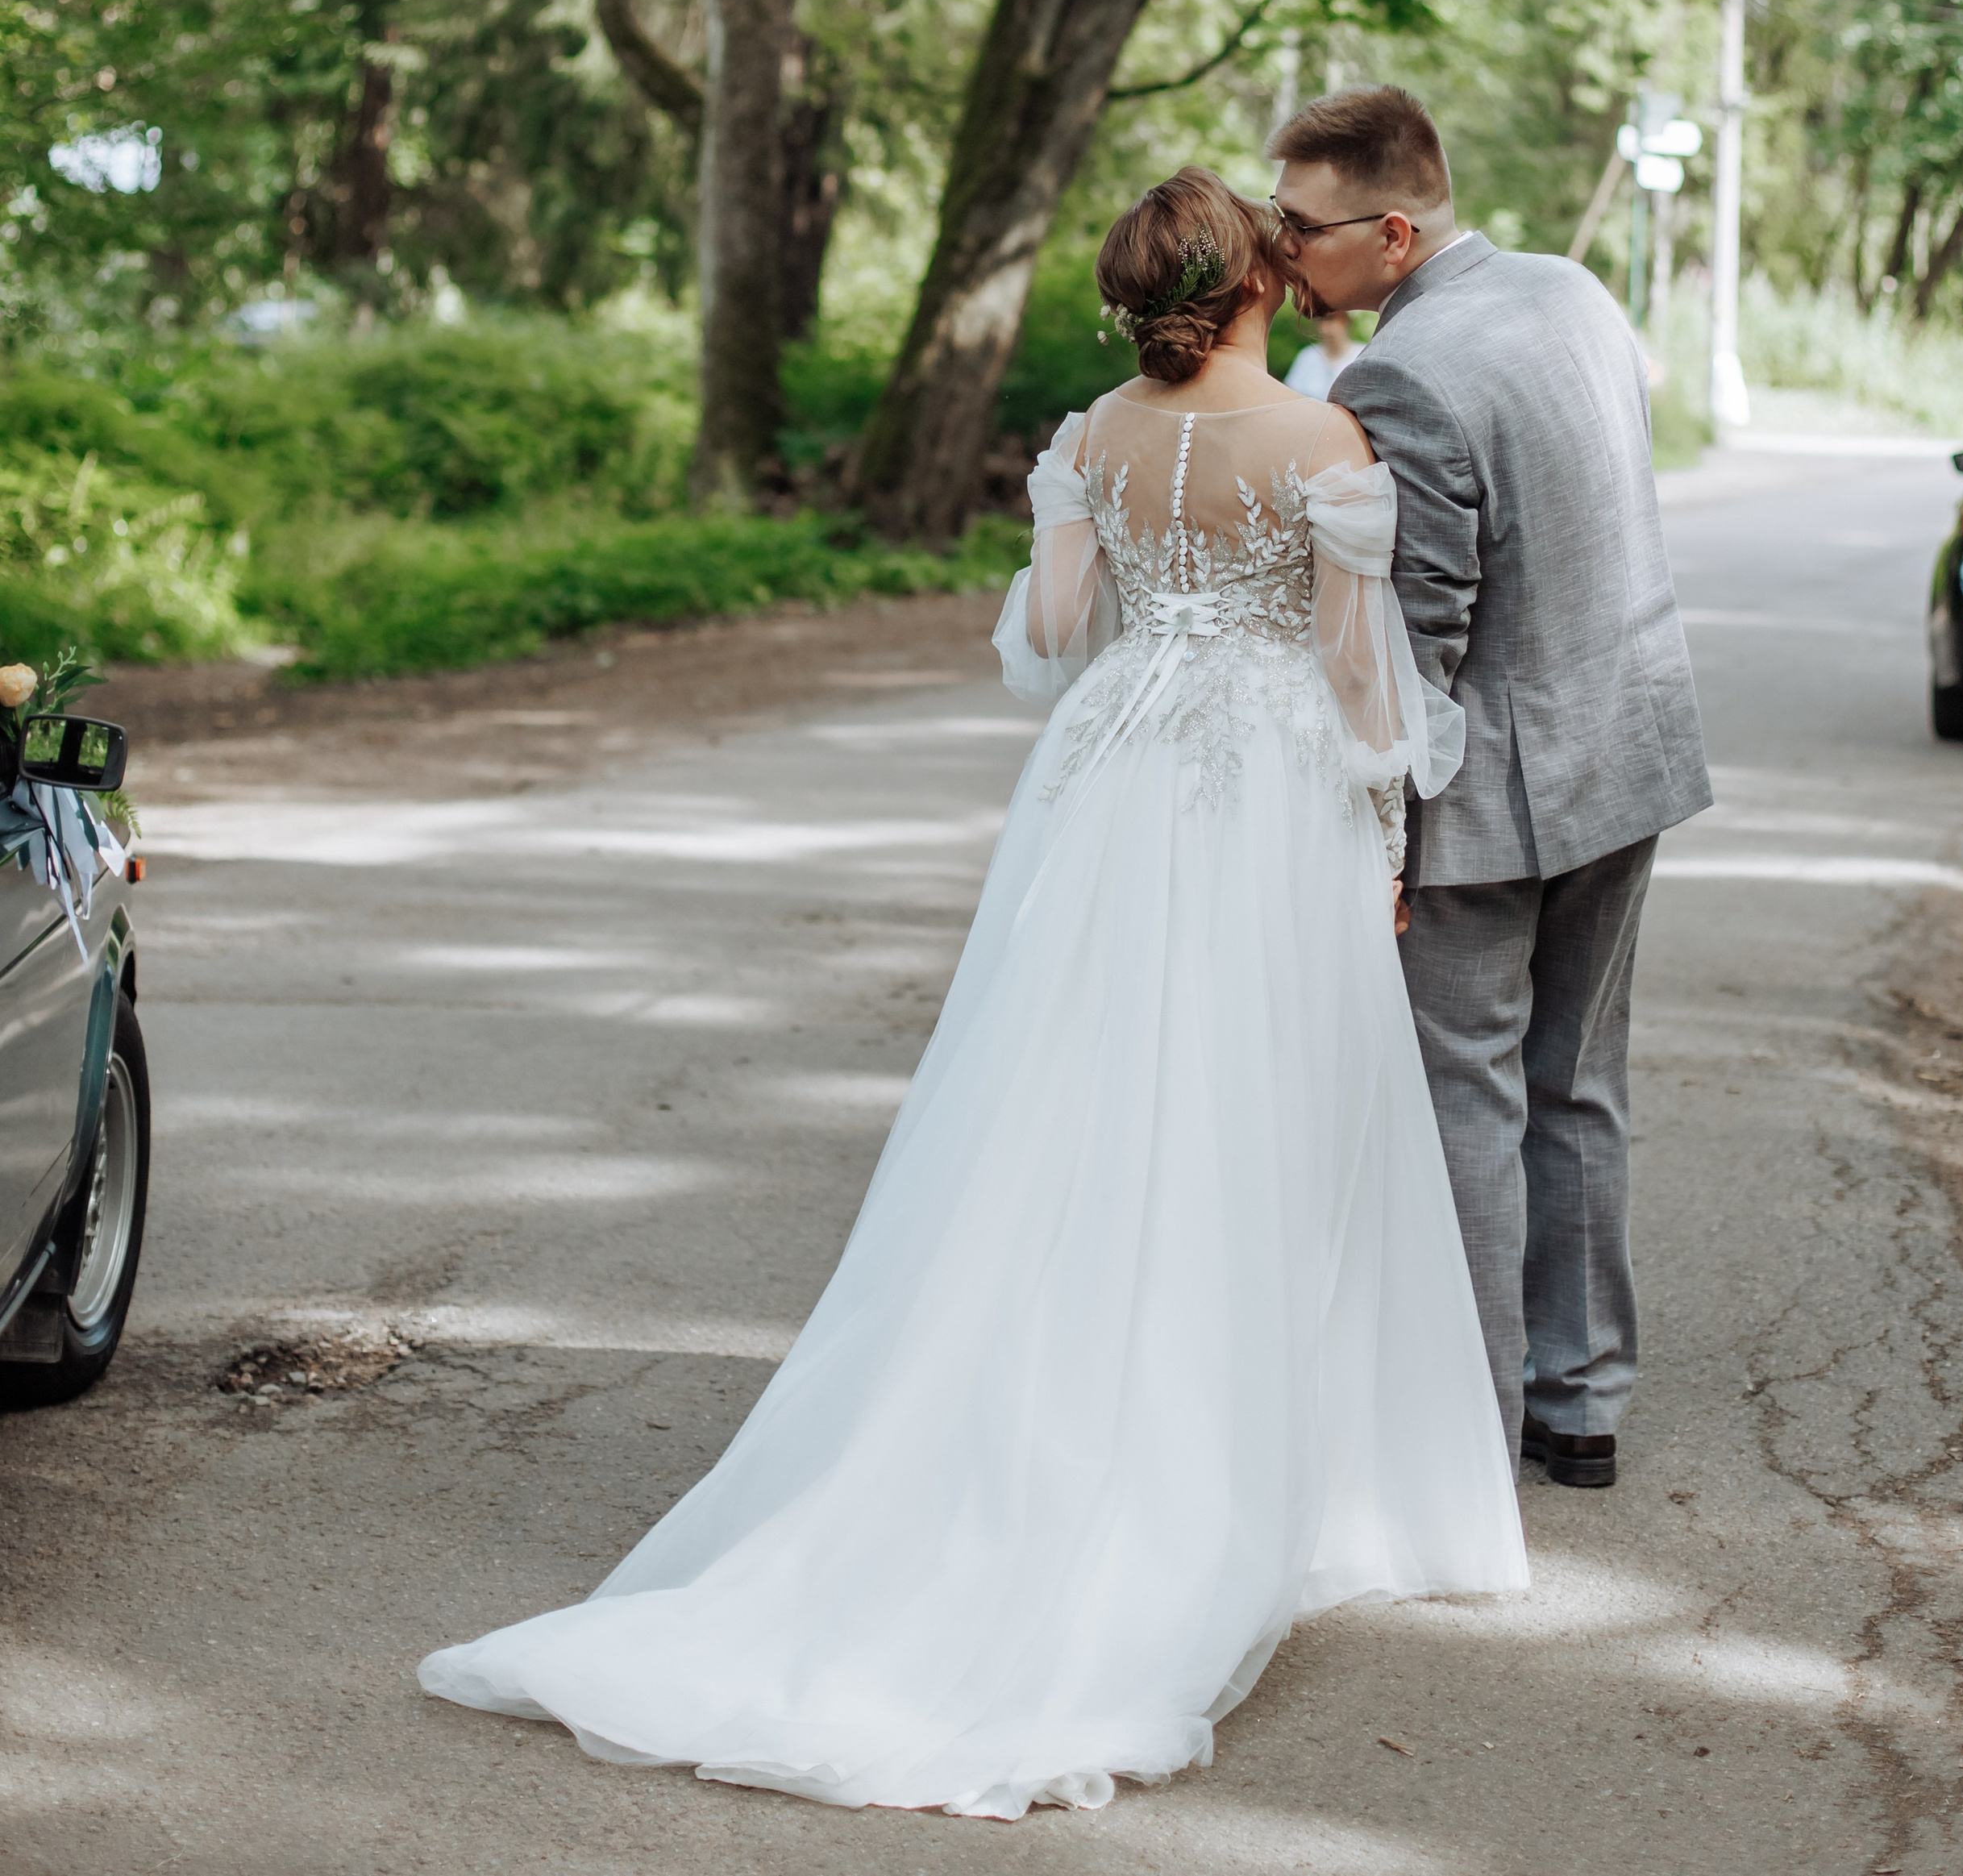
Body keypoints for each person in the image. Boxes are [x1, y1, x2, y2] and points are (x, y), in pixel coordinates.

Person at [418, 166, 1524, 1816]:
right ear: (1250, 288)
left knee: (1064, 1100)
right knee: (1257, 1113)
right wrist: (1385, 833)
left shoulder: (1088, 435)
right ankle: (1254, 1464)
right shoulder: (1322, 441)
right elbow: (1364, 676)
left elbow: (1054, 634)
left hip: (1110, 779)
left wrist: (1114, 570)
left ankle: (1028, 1421)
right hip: (1269, 800)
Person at [1268, 88, 1711, 1489]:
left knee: (1466, 1091)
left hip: (1497, 795)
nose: (1282, 250)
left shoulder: (1396, 376)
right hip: (1630, 750)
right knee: (1577, 1079)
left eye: (1302, 225)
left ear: (1393, 232)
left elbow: (1421, 638)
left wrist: (1384, 831)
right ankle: (1578, 1403)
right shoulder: (1573, 292)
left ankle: (1462, 1414)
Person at [1284, 307, 1367, 399]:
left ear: (1345, 320)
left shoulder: (1363, 356)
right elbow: (1290, 394)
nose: (1325, 324)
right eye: (1321, 318)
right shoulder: (1307, 356)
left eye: (1331, 318)